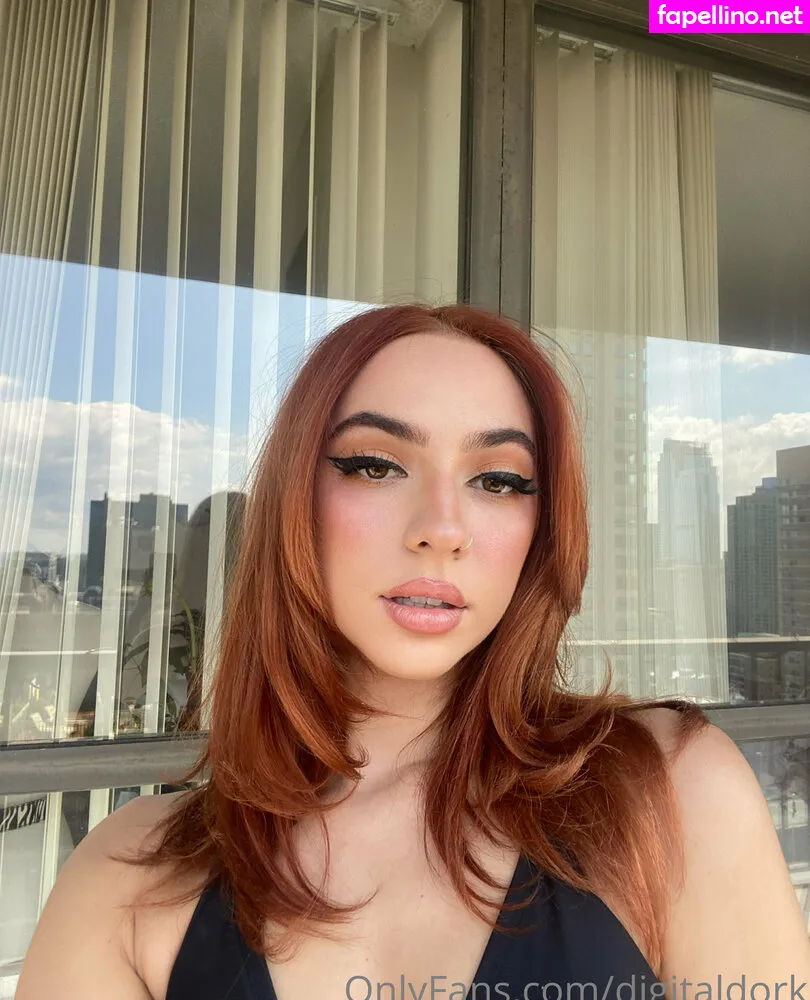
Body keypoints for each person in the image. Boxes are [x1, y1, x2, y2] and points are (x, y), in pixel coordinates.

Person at [17, 304, 810, 1000]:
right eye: (375, 465)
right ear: (295, 499)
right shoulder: (130, 877)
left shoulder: (672, 792)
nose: (442, 528)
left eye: (498, 480)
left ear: (540, 529)